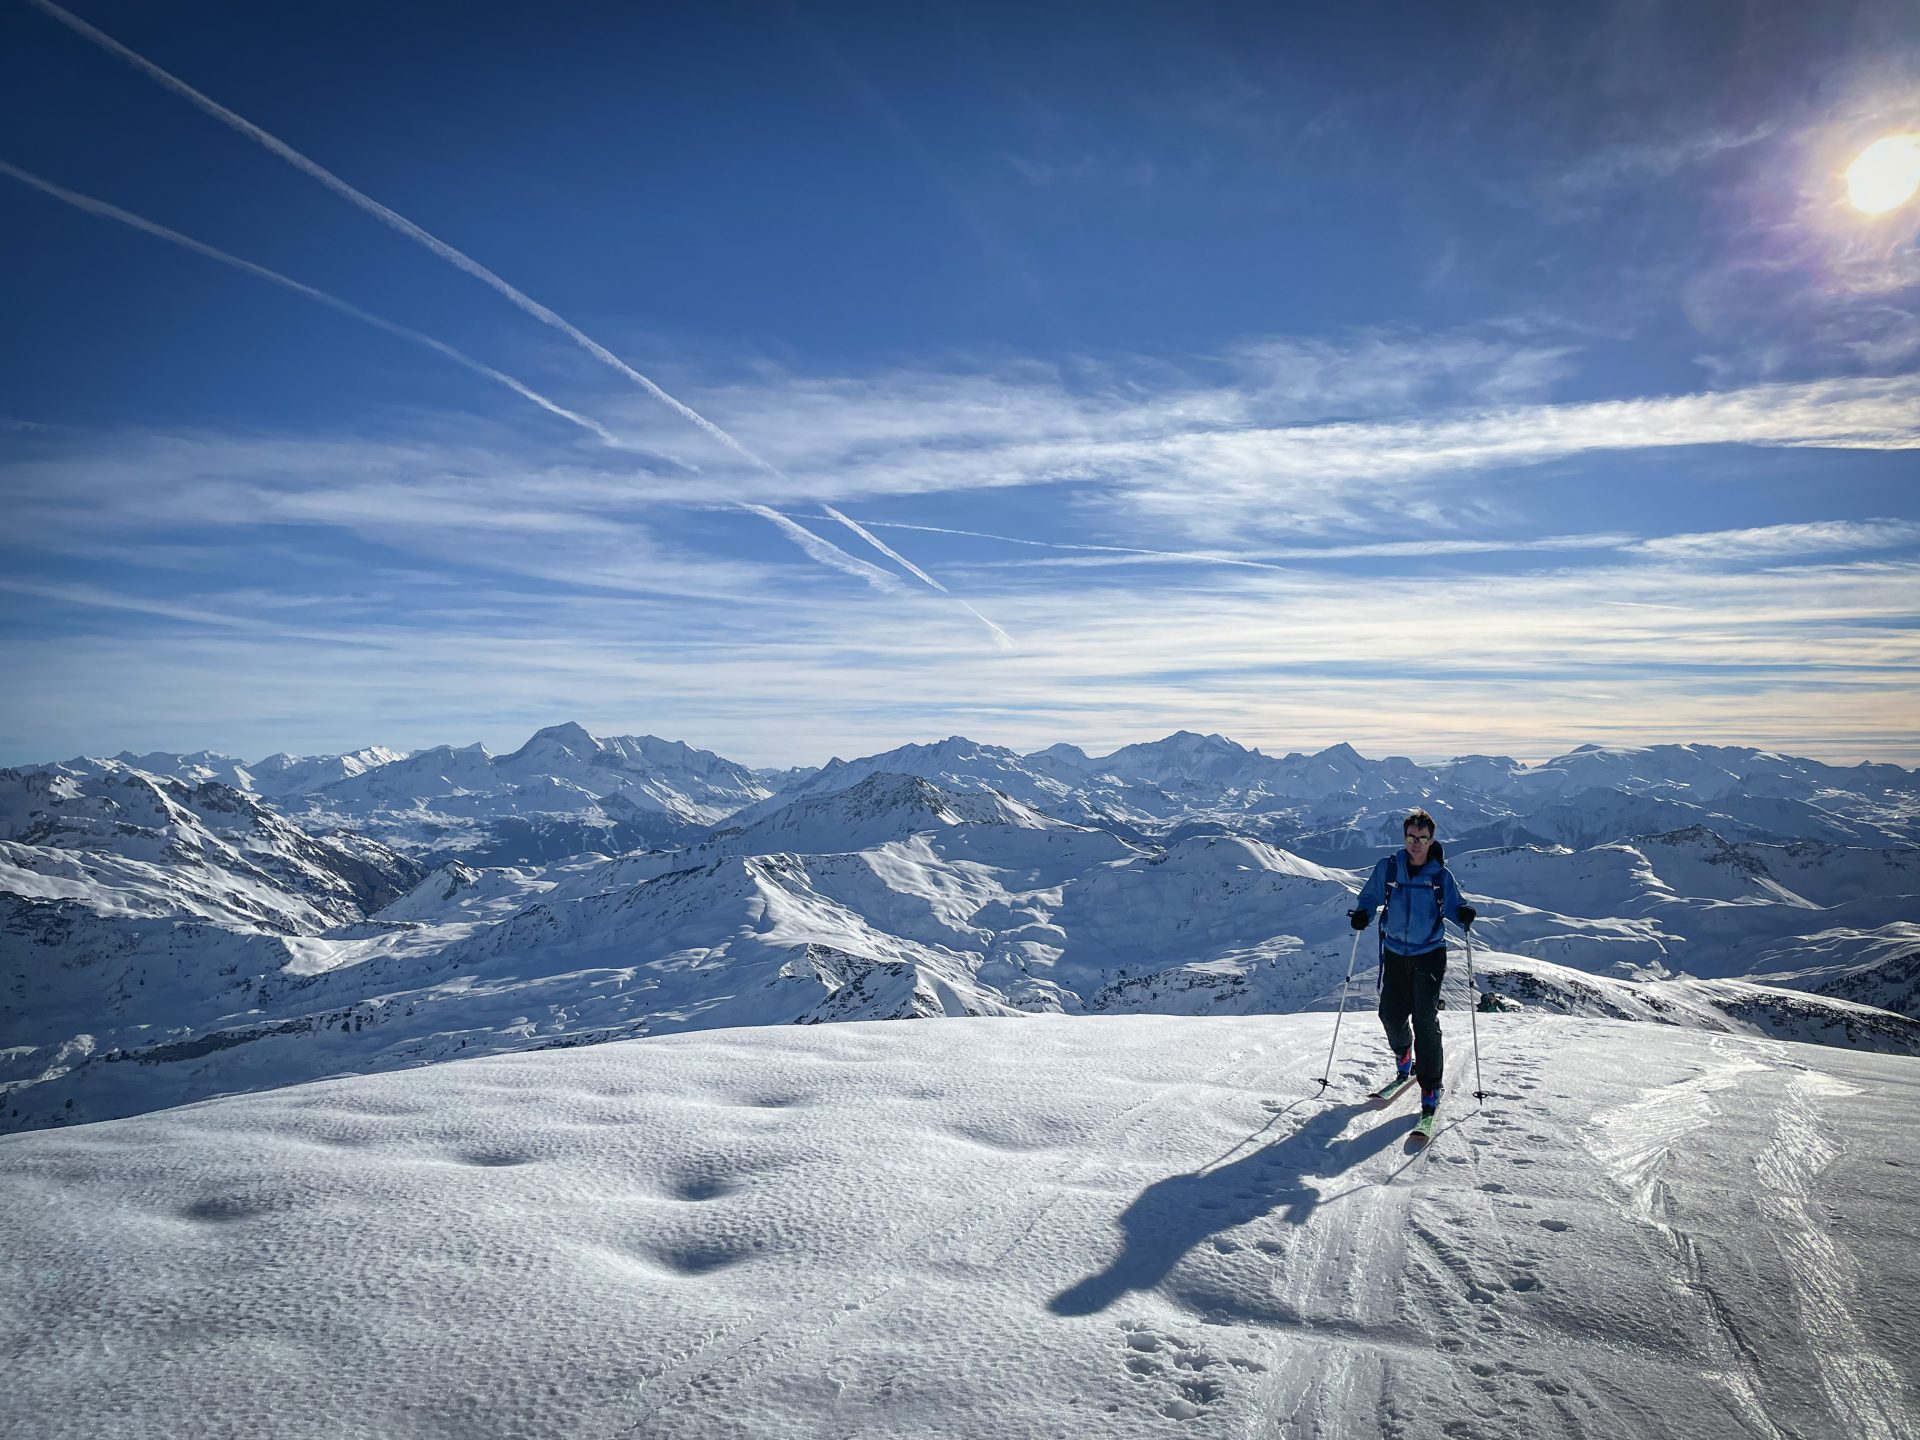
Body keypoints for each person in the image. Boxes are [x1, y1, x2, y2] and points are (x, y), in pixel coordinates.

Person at [1346, 809, 1476, 1123]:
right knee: (1389, 1014)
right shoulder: (1389, 869)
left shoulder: (1440, 877)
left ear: (1432, 840)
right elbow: (1370, 896)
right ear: (1404, 838)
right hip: (1394, 953)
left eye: (1422, 838)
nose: (1415, 843)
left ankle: (1431, 1087)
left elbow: (1455, 906)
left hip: (1430, 953)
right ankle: (1404, 1055)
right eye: (1410, 837)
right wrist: (1363, 913)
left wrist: (1464, 915)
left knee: (1424, 1020)